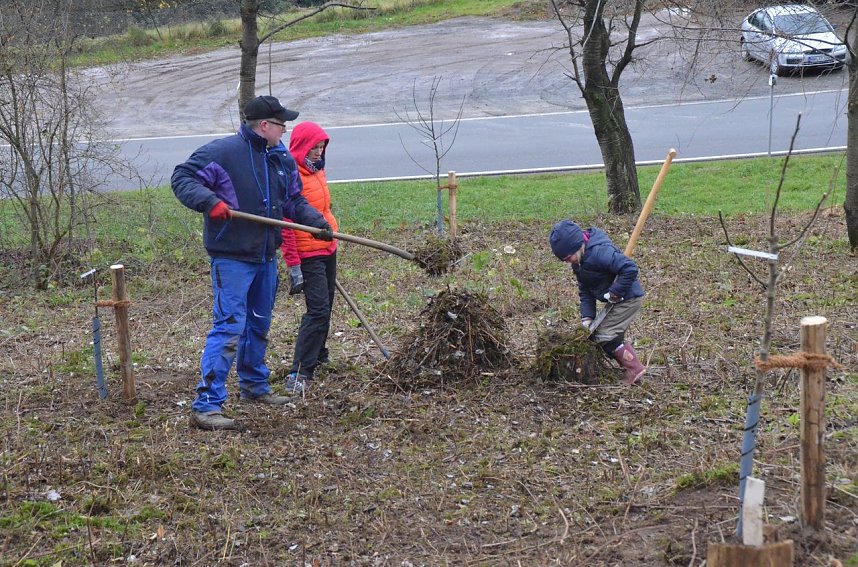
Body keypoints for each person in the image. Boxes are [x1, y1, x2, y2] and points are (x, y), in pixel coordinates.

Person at [172, 95, 334, 430]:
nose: (284, 131)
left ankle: (253, 386)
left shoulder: (279, 158)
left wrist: (316, 223)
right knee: (229, 326)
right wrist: (209, 201)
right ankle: (207, 405)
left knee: (258, 323)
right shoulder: (223, 152)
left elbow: (292, 200)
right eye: (281, 125)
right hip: (231, 256)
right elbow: (182, 178)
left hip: (264, 254)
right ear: (264, 126)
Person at [280, 121, 338, 396]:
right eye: (313, 147)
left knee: (326, 305)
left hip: (328, 247)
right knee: (317, 310)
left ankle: (319, 354)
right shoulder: (292, 175)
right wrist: (293, 264)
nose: (317, 152)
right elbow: (286, 223)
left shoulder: (318, 171)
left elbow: (324, 208)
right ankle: (300, 371)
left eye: (321, 147)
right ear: (301, 147)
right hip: (308, 252)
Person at [549, 219, 646, 385]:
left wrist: (616, 291)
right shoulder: (579, 262)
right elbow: (585, 290)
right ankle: (629, 365)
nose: (567, 261)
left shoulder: (601, 252)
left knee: (603, 336)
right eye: (563, 259)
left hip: (628, 299)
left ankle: (634, 368)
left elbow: (629, 268)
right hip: (616, 301)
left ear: (576, 245)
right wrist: (587, 318)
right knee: (598, 335)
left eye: (568, 257)